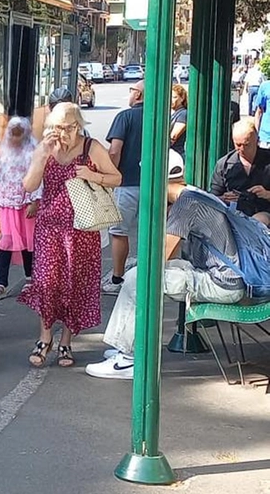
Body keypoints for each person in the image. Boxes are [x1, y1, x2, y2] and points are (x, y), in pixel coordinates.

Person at [87, 151, 252, 379]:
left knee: (138, 278)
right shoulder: (193, 194)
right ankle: (126, 346)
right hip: (222, 277)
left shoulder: (186, 205)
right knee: (141, 274)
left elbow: (162, 255)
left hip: (221, 283)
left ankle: (127, 360)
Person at [19, 102, 122, 368]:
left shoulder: (92, 148)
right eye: (54, 127)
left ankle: (66, 341)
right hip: (49, 227)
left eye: (65, 127)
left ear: (78, 126)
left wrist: (92, 175)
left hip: (81, 229)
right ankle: (44, 339)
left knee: (74, 285)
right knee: (46, 283)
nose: (60, 133)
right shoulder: (46, 149)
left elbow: (116, 178)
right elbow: (29, 185)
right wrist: (42, 156)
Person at [0, 117, 41, 301]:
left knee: (27, 243)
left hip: (26, 204)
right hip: (7, 204)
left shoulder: (33, 151)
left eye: (19, 135)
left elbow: (38, 176)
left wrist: (35, 201)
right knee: (6, 242)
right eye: (13, 135)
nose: (16, 139)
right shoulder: (5, 151)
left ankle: (30, 278)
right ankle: (0, 283)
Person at [104, 80, 145, 294]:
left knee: (119, 231)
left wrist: (112, 175)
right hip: (150, 184)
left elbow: (114, 150)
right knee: (148, 231)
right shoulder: (158, 116)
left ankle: (117, 278)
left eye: (131, 91)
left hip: (126, 182)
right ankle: (145, 274)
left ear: (137, 95)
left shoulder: (124, 117)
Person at [211, 119, 270, 227]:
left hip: (264, 213)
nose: (242, 149)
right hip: (233, 215)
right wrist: (224, 198)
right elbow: (213, 198)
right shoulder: (224, 164)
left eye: (246, 145)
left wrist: (266, 194)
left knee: (258, 221)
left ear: (257, 140)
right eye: (238, 145)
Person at [170, 84, 188, 157]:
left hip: (177, 155)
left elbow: (173, 136)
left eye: (174, 97)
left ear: (182, 98)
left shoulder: (183, 114)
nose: (171, 100)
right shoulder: (175, 114)